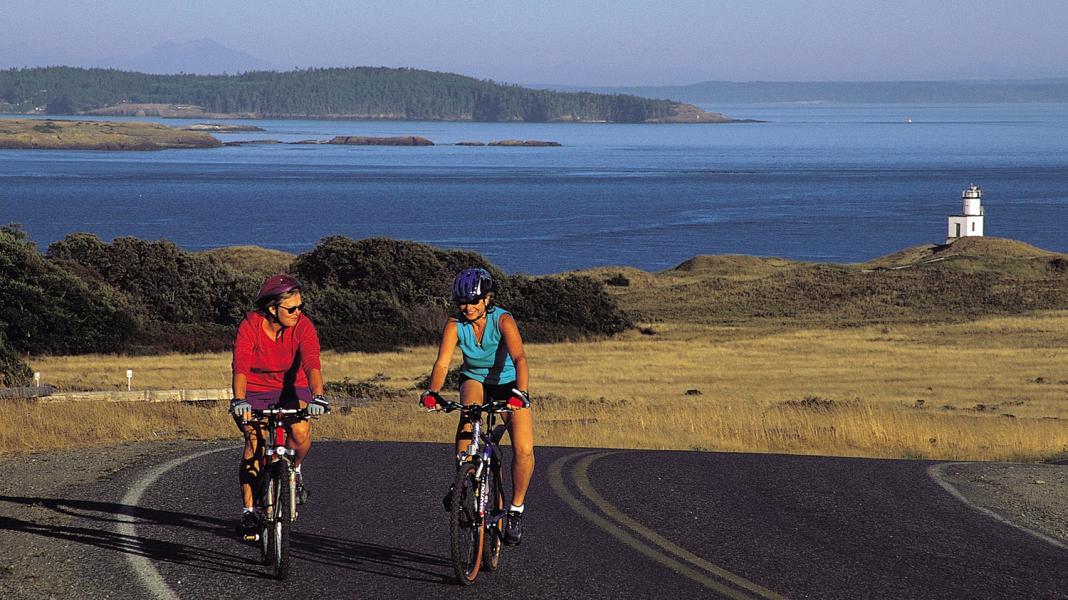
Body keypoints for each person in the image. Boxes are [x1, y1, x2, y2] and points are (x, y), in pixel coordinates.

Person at [421, 268, 533, 545]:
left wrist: (521, 393)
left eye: (473, 301)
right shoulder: (454, 324)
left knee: (523, 448)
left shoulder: (503, 320)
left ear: (487, 299)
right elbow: (443, 363)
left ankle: (516, 509)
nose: (467, 307)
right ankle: (462, 478)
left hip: (508, 383)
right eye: (462, 302)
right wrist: (433, 392)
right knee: (468, 414)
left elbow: (519, 358)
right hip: (474, 379)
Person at [230, 274, 329, 535]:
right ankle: (250, 512)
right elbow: (240, 366)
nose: (298, 313)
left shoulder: (303, 326)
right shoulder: (250, 325)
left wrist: (318, 396)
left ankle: (294, 470)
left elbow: (312, 363)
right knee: (254, 442)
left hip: (292, 387)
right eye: (291, 308)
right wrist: (240, 400)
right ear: (272, 309)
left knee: (300, 430)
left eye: (301, 307)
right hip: (255, 389)